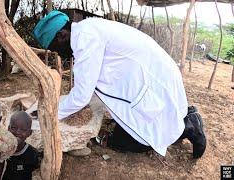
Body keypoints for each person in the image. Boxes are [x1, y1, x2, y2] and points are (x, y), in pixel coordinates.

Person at [33, 11, 206, 158]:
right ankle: (184, 116)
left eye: (56, 48)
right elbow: (92, 78)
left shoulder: (86, 39)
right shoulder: (87, 29)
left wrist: (50, 113)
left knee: (129, 141)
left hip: (155, 79)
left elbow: (81, 95)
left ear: (62, 35)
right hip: (154, 75)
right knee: (157, 117)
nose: (59, 54)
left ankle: (189, 127)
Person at [1, 111, 39, 180]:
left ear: (29, 133)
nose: (17, 132)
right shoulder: (1, 150)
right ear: (8, 129)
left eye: (23, 130)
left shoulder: (33, 154)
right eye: (13, 128)